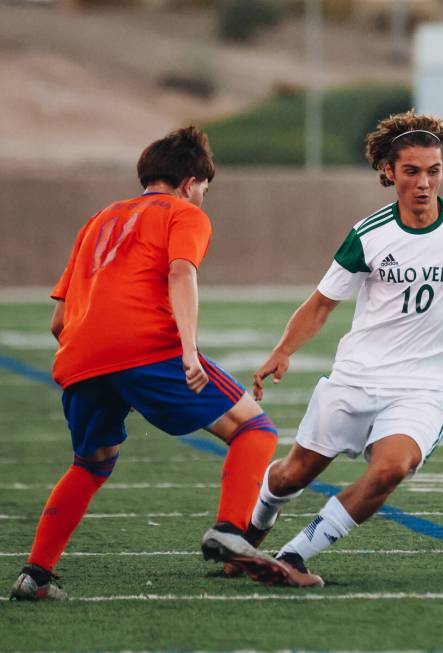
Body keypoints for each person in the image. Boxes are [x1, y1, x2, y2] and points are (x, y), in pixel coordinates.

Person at [241, 110, 443, 587]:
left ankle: (293, 556)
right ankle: (247, 541)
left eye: (433, 171)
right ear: (389, 172)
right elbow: (321, 304)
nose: (423, 183)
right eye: (411, 171)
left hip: (424, 387)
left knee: (391, 468)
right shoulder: (368, 235)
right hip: (356, 377)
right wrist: (283, 349)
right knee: (292, 475)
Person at [9, 126, 291, 601]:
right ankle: (228, 530)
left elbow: (59, 319)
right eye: (203, 187)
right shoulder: (183, 213)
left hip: (80, 357)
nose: (202, 197)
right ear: (189, 182)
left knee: (90, 464)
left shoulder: (99, 219)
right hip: (149, 348)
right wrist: (185, 348)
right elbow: (181, 271)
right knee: (255, 430)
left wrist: (108, 371)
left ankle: (35, 575)